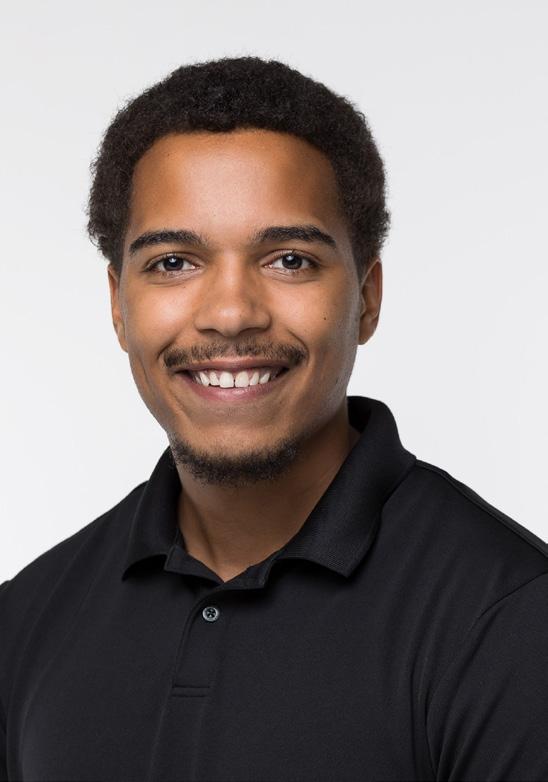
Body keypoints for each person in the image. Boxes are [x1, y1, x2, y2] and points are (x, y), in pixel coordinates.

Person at [1, 56, 547, 782]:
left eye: (289, 260)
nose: (231, 313)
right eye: (173, 262)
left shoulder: (511, 621)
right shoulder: (24, 620)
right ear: (118, 305)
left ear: (367, 298)